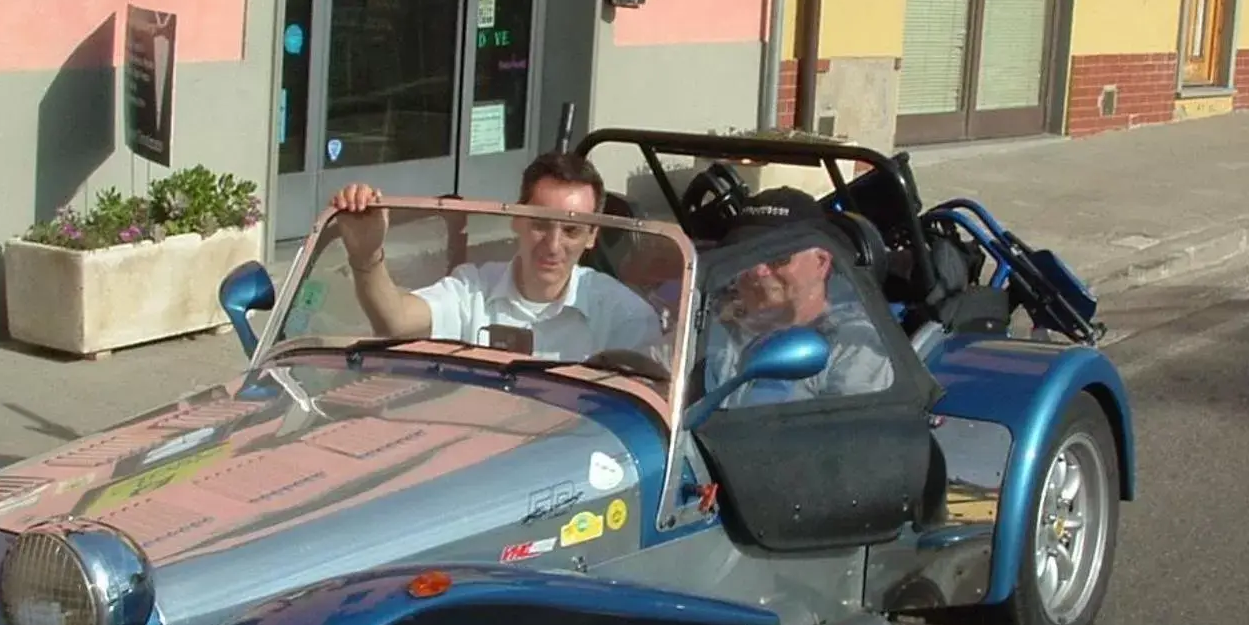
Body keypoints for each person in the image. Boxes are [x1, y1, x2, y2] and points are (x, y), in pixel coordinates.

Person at [327, 151, 667, 364]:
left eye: (572, 231)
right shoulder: (473, 287)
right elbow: (395, 322)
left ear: (593, 237)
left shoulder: (627, 318)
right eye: (540, 224)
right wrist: (367, 254)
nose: (552, 245)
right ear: (516, 219)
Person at [703, 187, 896, 405]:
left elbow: (850, 434)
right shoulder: (709, 325)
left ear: (821, 262)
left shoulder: (854, 347)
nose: (758, 270)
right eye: (745, 255)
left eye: (778, 257)